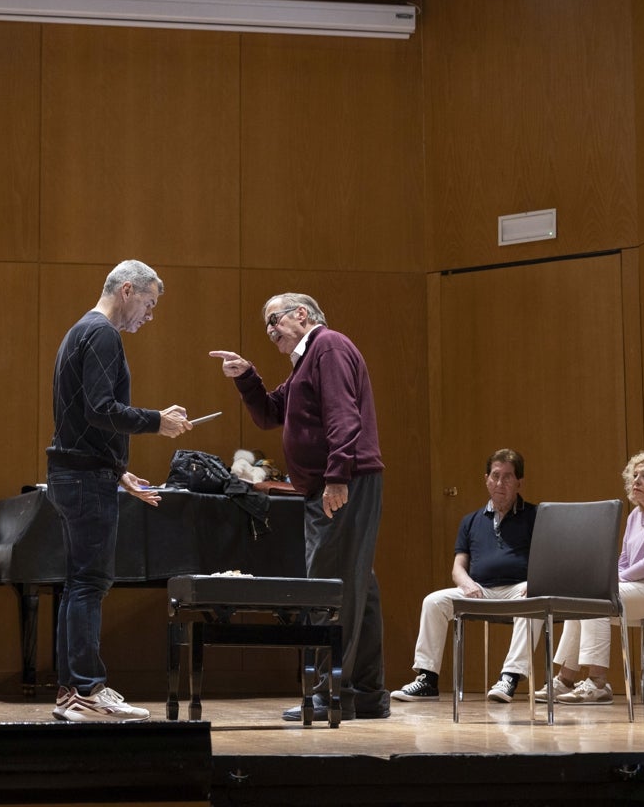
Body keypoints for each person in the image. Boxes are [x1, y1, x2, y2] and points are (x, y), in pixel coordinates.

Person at [210, 293, 390, 721]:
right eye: (266, 326)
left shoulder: (327, 346)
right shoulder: (308, 360)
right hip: (334, 483)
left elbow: (345, 416)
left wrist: (337, 476)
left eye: (274, 320)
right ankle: (365, 692)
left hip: (343, 482)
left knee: (328, 588)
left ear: (302, 314)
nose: (270, 330)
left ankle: (329, 694)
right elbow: (272, 414)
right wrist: (247, 377)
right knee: (356, 587)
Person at [47, 259, 191, 722]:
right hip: (84, 479)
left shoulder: (79, 330)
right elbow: (100, 409)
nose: (148, 317)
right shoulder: (104, 333)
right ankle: (89, 689)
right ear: (127, 290)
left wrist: (117, 470)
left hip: (77, 472)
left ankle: (72, 693)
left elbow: (79, 420)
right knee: (90, 584)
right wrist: (157, 422)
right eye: (148, 304)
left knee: (77, 586)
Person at [534, 450, 644, 705]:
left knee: (596, 598)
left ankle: (598, 682)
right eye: (635, 476)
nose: (636, 481)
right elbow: (624, 561)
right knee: (581, 599)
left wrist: (612, 582)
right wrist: (610, 578)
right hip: (640, 585)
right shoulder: (634, 516)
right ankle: (565, 679)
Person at [390, 449, 539, 704]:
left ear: (519, 482)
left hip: (519, 588)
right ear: (486, 479)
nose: (500, 483)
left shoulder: (535, 516)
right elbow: (458, 567)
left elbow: (547, 558)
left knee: (535, 598)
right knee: (434, 601)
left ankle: (510, 677)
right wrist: (467, 583)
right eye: (495, 476)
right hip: (480, 590)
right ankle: (427, 678)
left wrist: (535, 582)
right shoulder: (470, 521)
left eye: (507, 477)